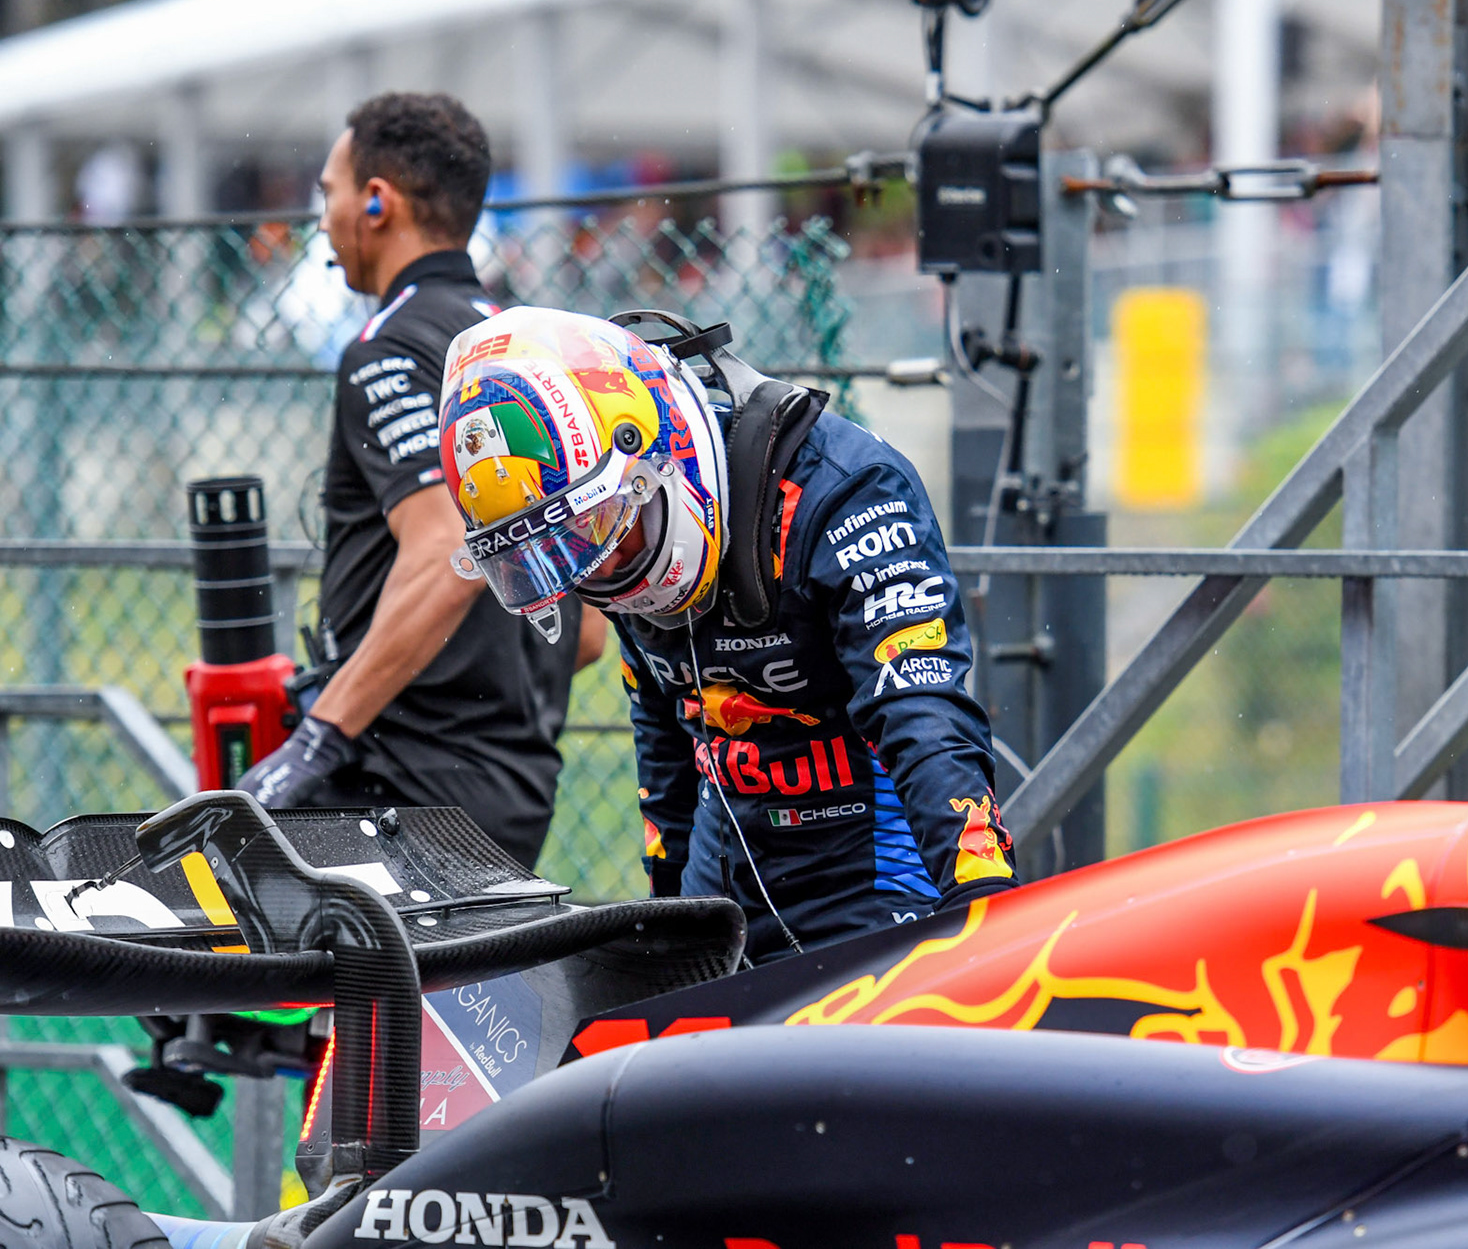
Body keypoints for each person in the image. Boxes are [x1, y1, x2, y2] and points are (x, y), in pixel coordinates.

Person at [437, 305, 1017, 959]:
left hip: (873, 868)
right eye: (561, 551)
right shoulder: (620, 553)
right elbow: (660, 722)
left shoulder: (845, 487)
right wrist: (665, 919)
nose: (597, 564)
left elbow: (919, 706)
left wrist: (982, 906)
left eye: (595, 526)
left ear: (657, 452)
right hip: (728, 871)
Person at [238, 92, 602, 869]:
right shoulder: (526, 351)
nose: (325, 219)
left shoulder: (389, 347)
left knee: (216, 979)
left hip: (394, 790)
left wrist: (318, 738)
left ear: (378, 201)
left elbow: (445, 551)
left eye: (329, 194)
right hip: (515, 789)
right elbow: (590, 630)